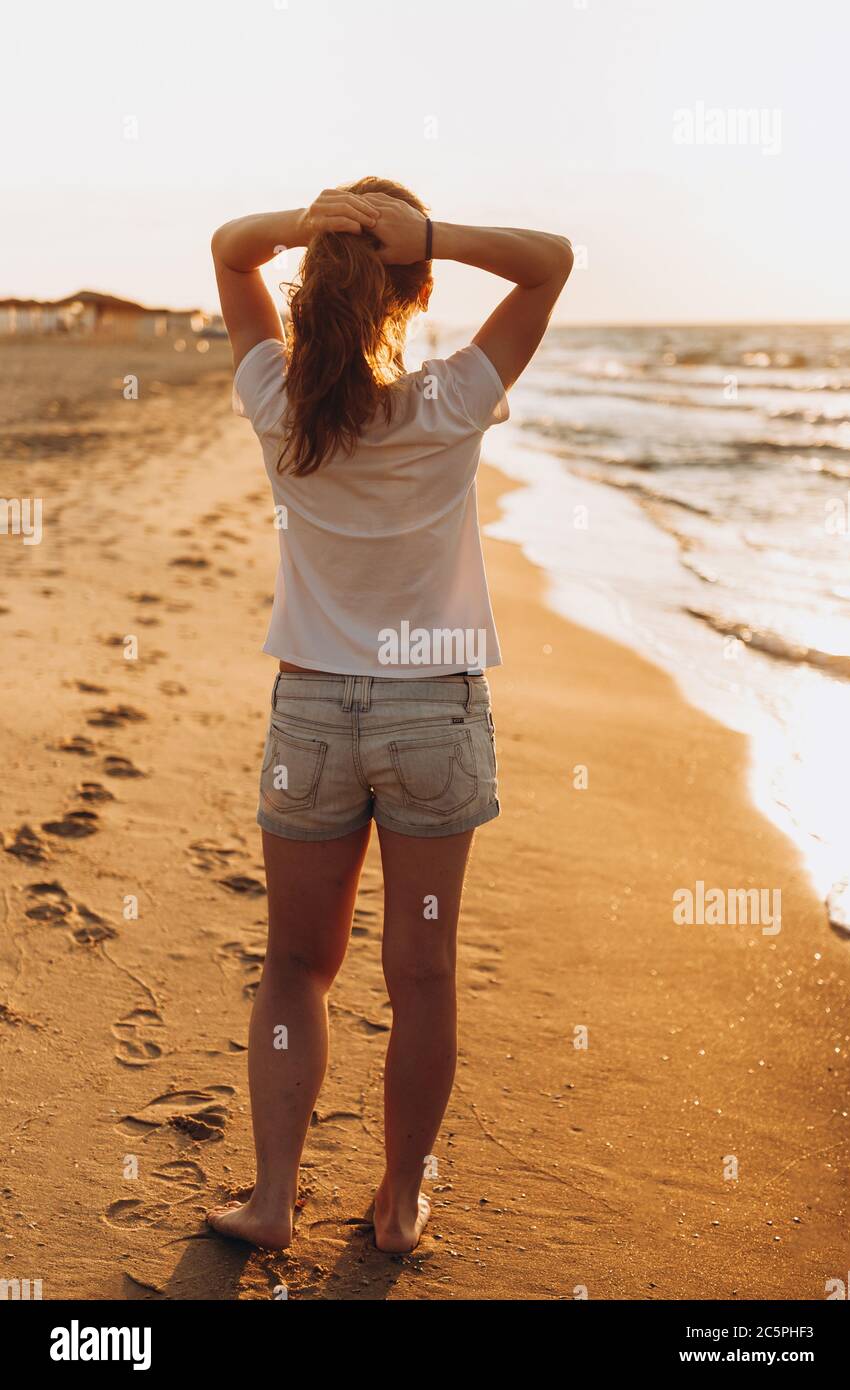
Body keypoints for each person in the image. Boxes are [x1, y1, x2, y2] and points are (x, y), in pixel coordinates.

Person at [207, 179, 572, 1252]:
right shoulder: (450, 400)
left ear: (310, 283)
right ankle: (400, 1202)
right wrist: (432, 235)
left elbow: (230, 254)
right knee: (421, 974)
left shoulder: (276, 396)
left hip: (312, 717)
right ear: (415, 295)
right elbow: (551, 260)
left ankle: (274, 1202)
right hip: (433, 720)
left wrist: (299, 224)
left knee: (293, 965)